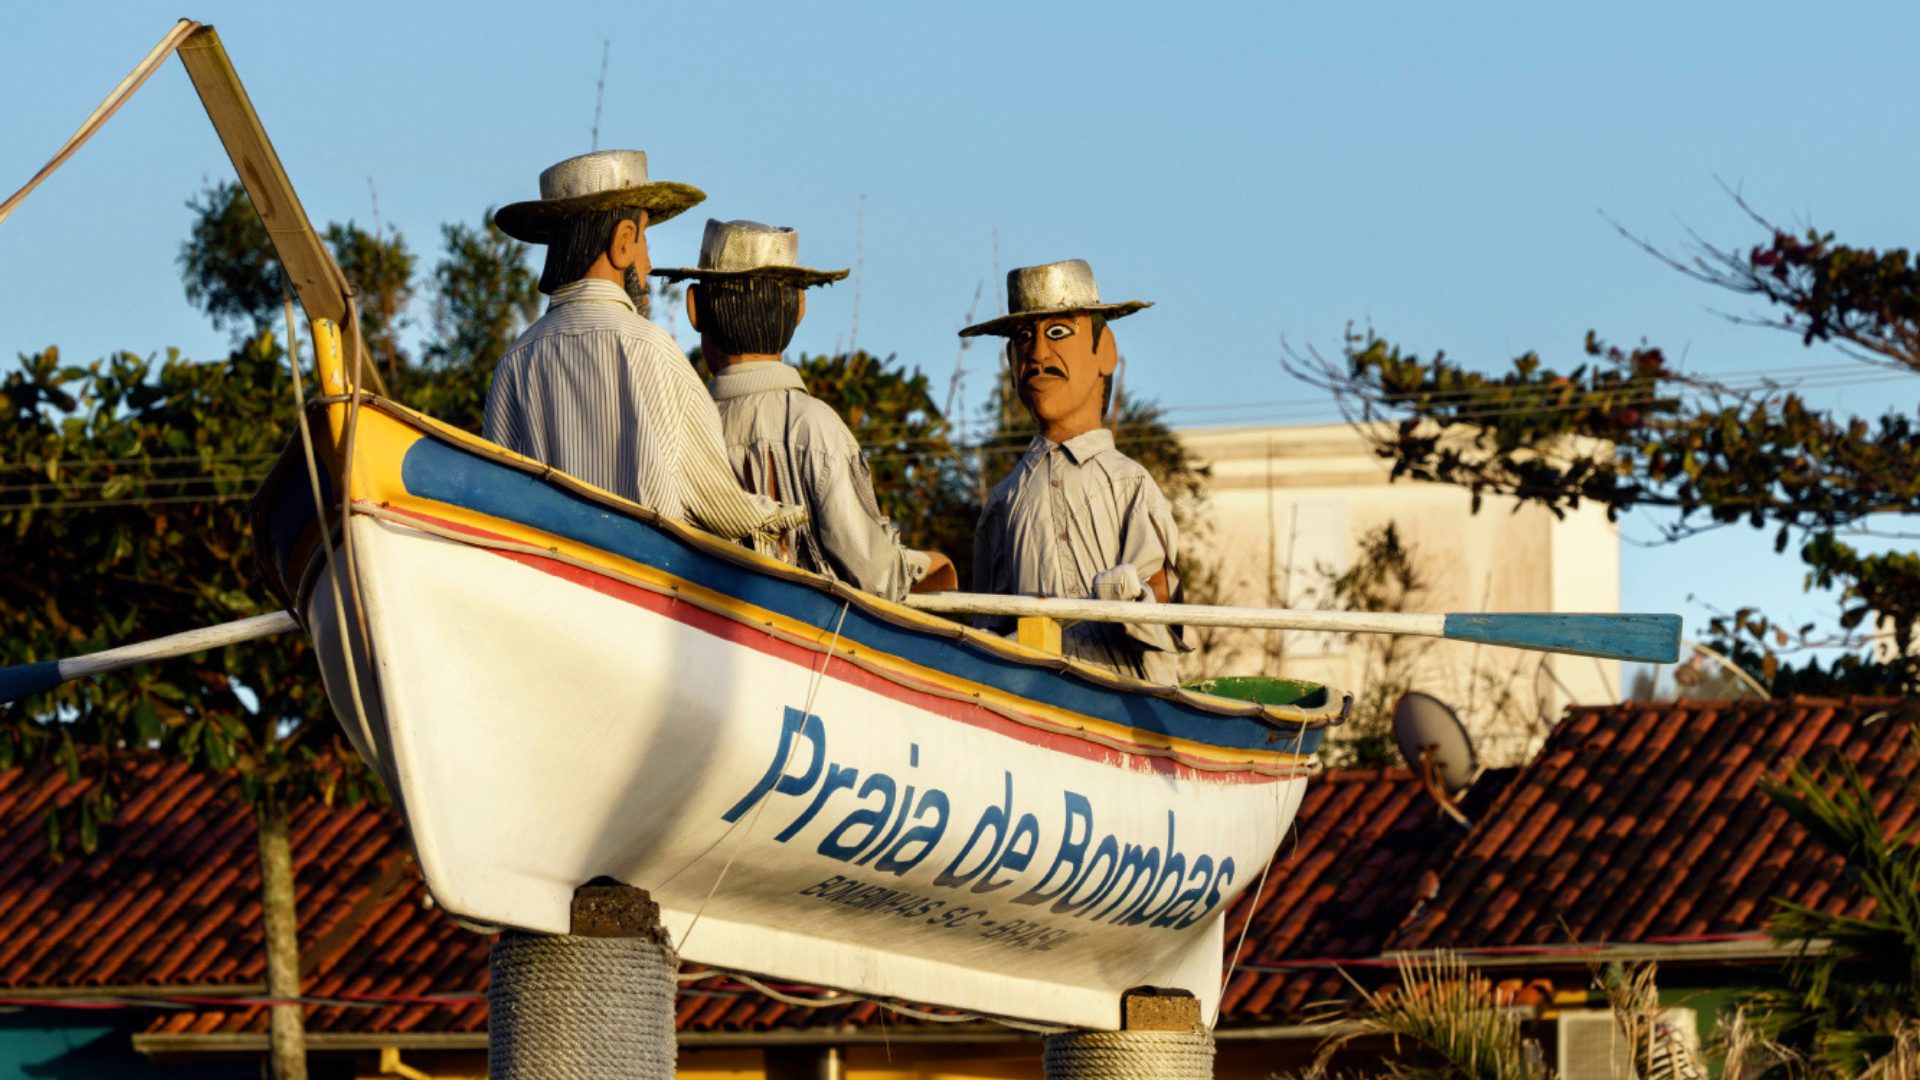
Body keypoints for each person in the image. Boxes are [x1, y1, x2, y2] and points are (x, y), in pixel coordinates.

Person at [484, 150, 805, 541]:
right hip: (645, 582)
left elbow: (496, 497)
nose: (649, 264)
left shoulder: (515, 362)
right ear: (622, 243)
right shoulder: (650, 350)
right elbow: (720, 506)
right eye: (644, 242)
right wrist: (779, 514)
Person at [654, 219, 957, 599]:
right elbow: (874, 573)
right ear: (799, 307)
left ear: (694, 308)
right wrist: (925, 564)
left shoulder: (675, 425)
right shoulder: (813, 427)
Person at [961, 259, 1187, 683]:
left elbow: (1164, 619)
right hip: (1033, 701)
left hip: (1120, 702)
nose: (1039, 354)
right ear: (1011, 361)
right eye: (1023, 339)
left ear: (1105, 353)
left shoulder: (1129, 484)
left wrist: (1132, 600)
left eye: (1059, 333)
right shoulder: (1004, 502)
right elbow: (986, 624)